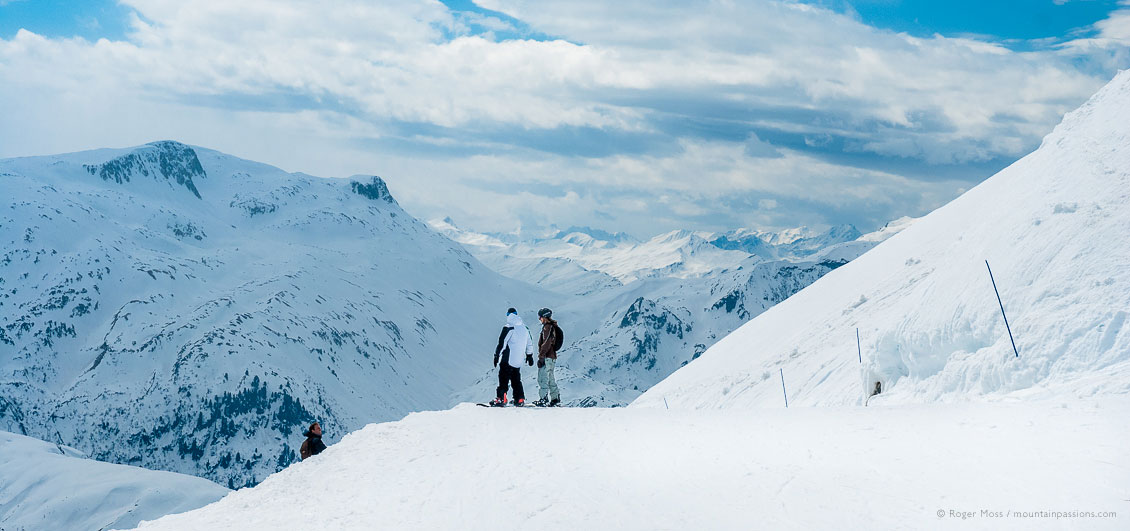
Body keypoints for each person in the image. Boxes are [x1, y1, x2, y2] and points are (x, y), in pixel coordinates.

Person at [490, 307, 533, 406]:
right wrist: (529, 355)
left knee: (503, 377)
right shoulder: (524, 328)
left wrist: (496, 355)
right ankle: (520, 398)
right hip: (518, 360)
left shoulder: (509, 327)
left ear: (508, 315)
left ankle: (501, 398)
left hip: (507, 359)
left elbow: (502, 343)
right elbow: (529, 343)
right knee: (516, 379)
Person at [533, 307, 563, 407]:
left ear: (544, 317)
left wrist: (541, 356)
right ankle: (555, 399)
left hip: (546, 357)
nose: (539, 319)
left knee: (542, 378)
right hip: (552, 357)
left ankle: (543, 399)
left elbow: (546, 343)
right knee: (550, 378)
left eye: (540, 317)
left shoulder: (547, 327)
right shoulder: (553, 326)